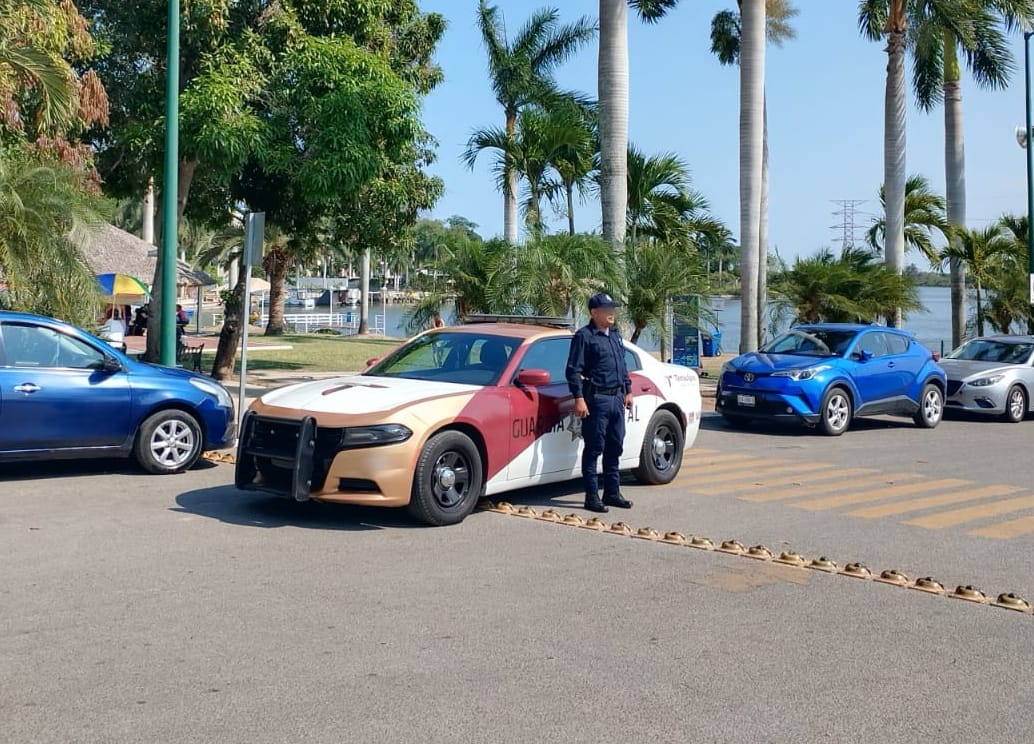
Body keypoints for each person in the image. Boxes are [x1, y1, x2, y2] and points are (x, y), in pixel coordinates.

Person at [565, 292, 634, 513]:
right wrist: (579, 398)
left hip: (616, 398)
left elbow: (622, 366)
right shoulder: (584, 336)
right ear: (594, 313)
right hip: (596, 398)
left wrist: (628, 390)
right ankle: (592, 496)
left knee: (615, 445)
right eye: (607, 310)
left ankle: (612, 492)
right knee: (594, 448)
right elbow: (572, 370)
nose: (611, 313)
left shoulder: (614, 335)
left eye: (612, 309)